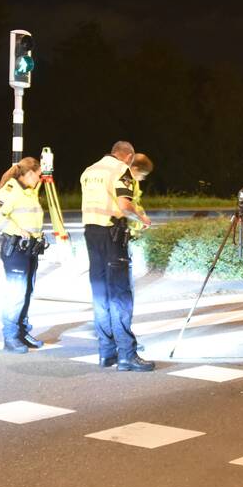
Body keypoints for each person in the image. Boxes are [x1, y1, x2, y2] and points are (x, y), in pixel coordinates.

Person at [80, 141, 153, 371]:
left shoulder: (89, 171)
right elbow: (123, 203)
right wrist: (142, 218)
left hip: (91, 235)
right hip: (112, 236)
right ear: (129, 156)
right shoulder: (120, 170)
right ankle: (127, 355)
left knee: (100, 294)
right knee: (120, 295)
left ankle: (106, 352)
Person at [0, 157, 47, 353]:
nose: (39, 179)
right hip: (16, 249)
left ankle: (22, 332)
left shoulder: (29, 191)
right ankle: (10, 336)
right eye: (38, 175)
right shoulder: (10, 190)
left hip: (30, 248)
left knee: (27, 292)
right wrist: (17, 230)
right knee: (16, 293)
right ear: (29, 173)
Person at [127, 153, 154, 239]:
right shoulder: (126, 181)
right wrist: (141, 221)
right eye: (143, 174)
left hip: (131, 228)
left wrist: (142, 219)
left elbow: (135, 204)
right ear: (134, 169)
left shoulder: (134, 181)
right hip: (124, 229)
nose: (143, 178)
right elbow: (126, 207)